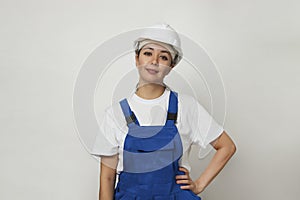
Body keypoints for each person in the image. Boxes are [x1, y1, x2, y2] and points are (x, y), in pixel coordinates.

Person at [91, 23, 236, 200]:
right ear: (137, 59)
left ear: (171, 66)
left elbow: (227, 146)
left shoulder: (187, 106)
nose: (154, 61)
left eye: (164, 57)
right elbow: (107, 178)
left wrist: (199, 184)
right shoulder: (115, 114)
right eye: (148, 53)